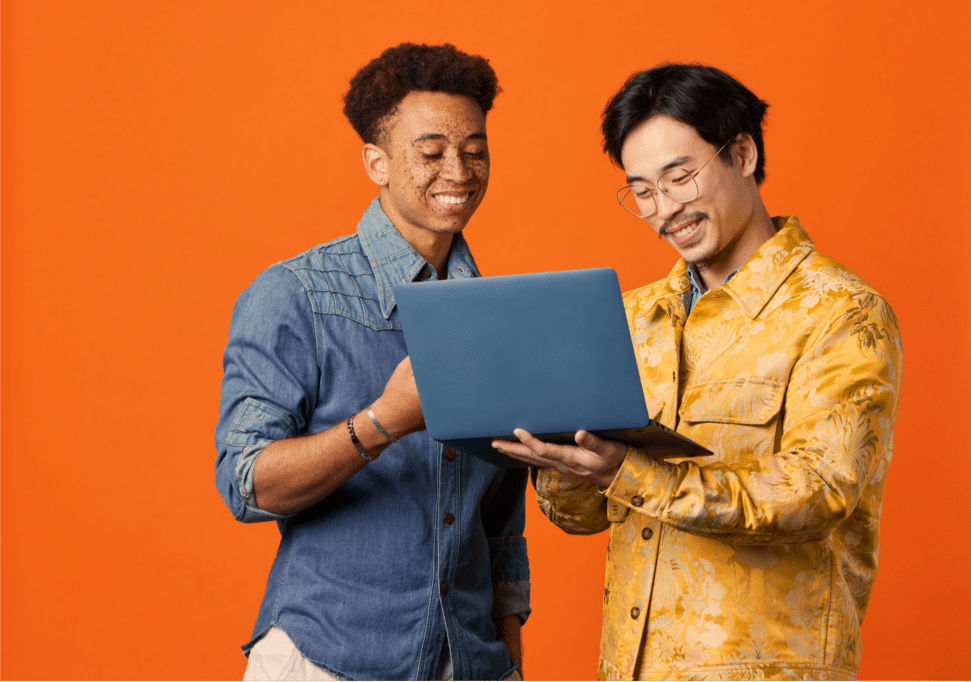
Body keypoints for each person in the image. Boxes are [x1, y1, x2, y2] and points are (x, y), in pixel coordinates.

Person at [492, 63, 902, 680]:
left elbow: (820, 490)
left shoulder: (842, 312)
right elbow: (584, 516)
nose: (665, 210)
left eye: (679, 177)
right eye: (644, 191)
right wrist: (556, 457)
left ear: (741, 153)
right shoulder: (628, 319)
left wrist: (632, 472)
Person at [215, 43, 529, 681]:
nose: (459, 171)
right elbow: (244, 483)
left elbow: (500, 525)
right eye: (432, 150)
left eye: (475, 149)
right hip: (324, 656)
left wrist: (509, 659)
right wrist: (384, 422)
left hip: (468, 664)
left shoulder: (499, 314)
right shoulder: (294, 294)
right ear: (377, 162)